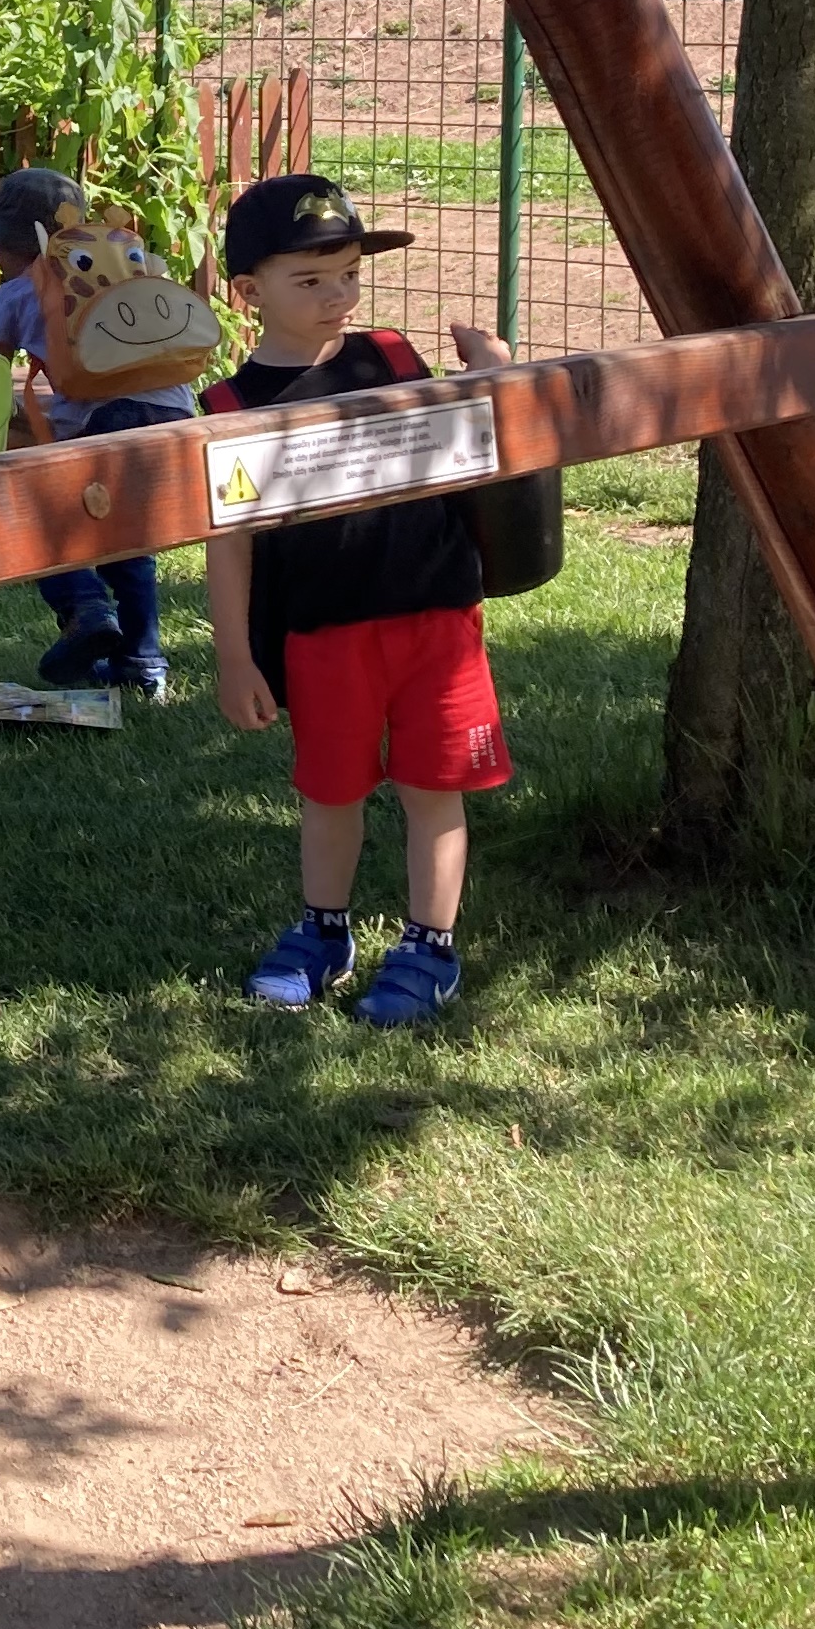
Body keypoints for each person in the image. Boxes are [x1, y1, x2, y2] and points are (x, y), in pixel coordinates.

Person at [201, 172, 509, 1029]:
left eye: (348, 274)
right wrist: (234, 657)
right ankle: (323, 933)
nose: (337, 296)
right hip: (323, 635)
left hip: (437, 619)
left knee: (433, 789)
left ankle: (430, 948)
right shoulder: (228, 407)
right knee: (329, 793)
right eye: (310, 280)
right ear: (249, 291)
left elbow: (477, 452)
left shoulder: (395, 359)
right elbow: (227, 543)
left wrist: (492, 381)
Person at [0, 167, 191, 697]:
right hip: (176, 415)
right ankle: (142, 664)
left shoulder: (15, 293)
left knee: (43, 521)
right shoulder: (116, 273)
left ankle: (84, 606)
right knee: (130, 543)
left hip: (106, 422)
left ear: (12, 244)